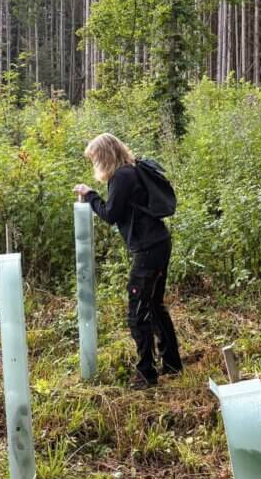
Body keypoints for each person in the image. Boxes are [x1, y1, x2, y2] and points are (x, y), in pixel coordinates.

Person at [74, 133, 182, 389]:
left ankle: (146, 374)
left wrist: (90, 195)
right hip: (158, 243)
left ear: (104, 156)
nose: (94, 164)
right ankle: (172, 364)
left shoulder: (121, 177)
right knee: (154, 305)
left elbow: (110, 214)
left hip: (148, 250)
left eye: (95, 159)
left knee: (137, 312)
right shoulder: (131, 170)